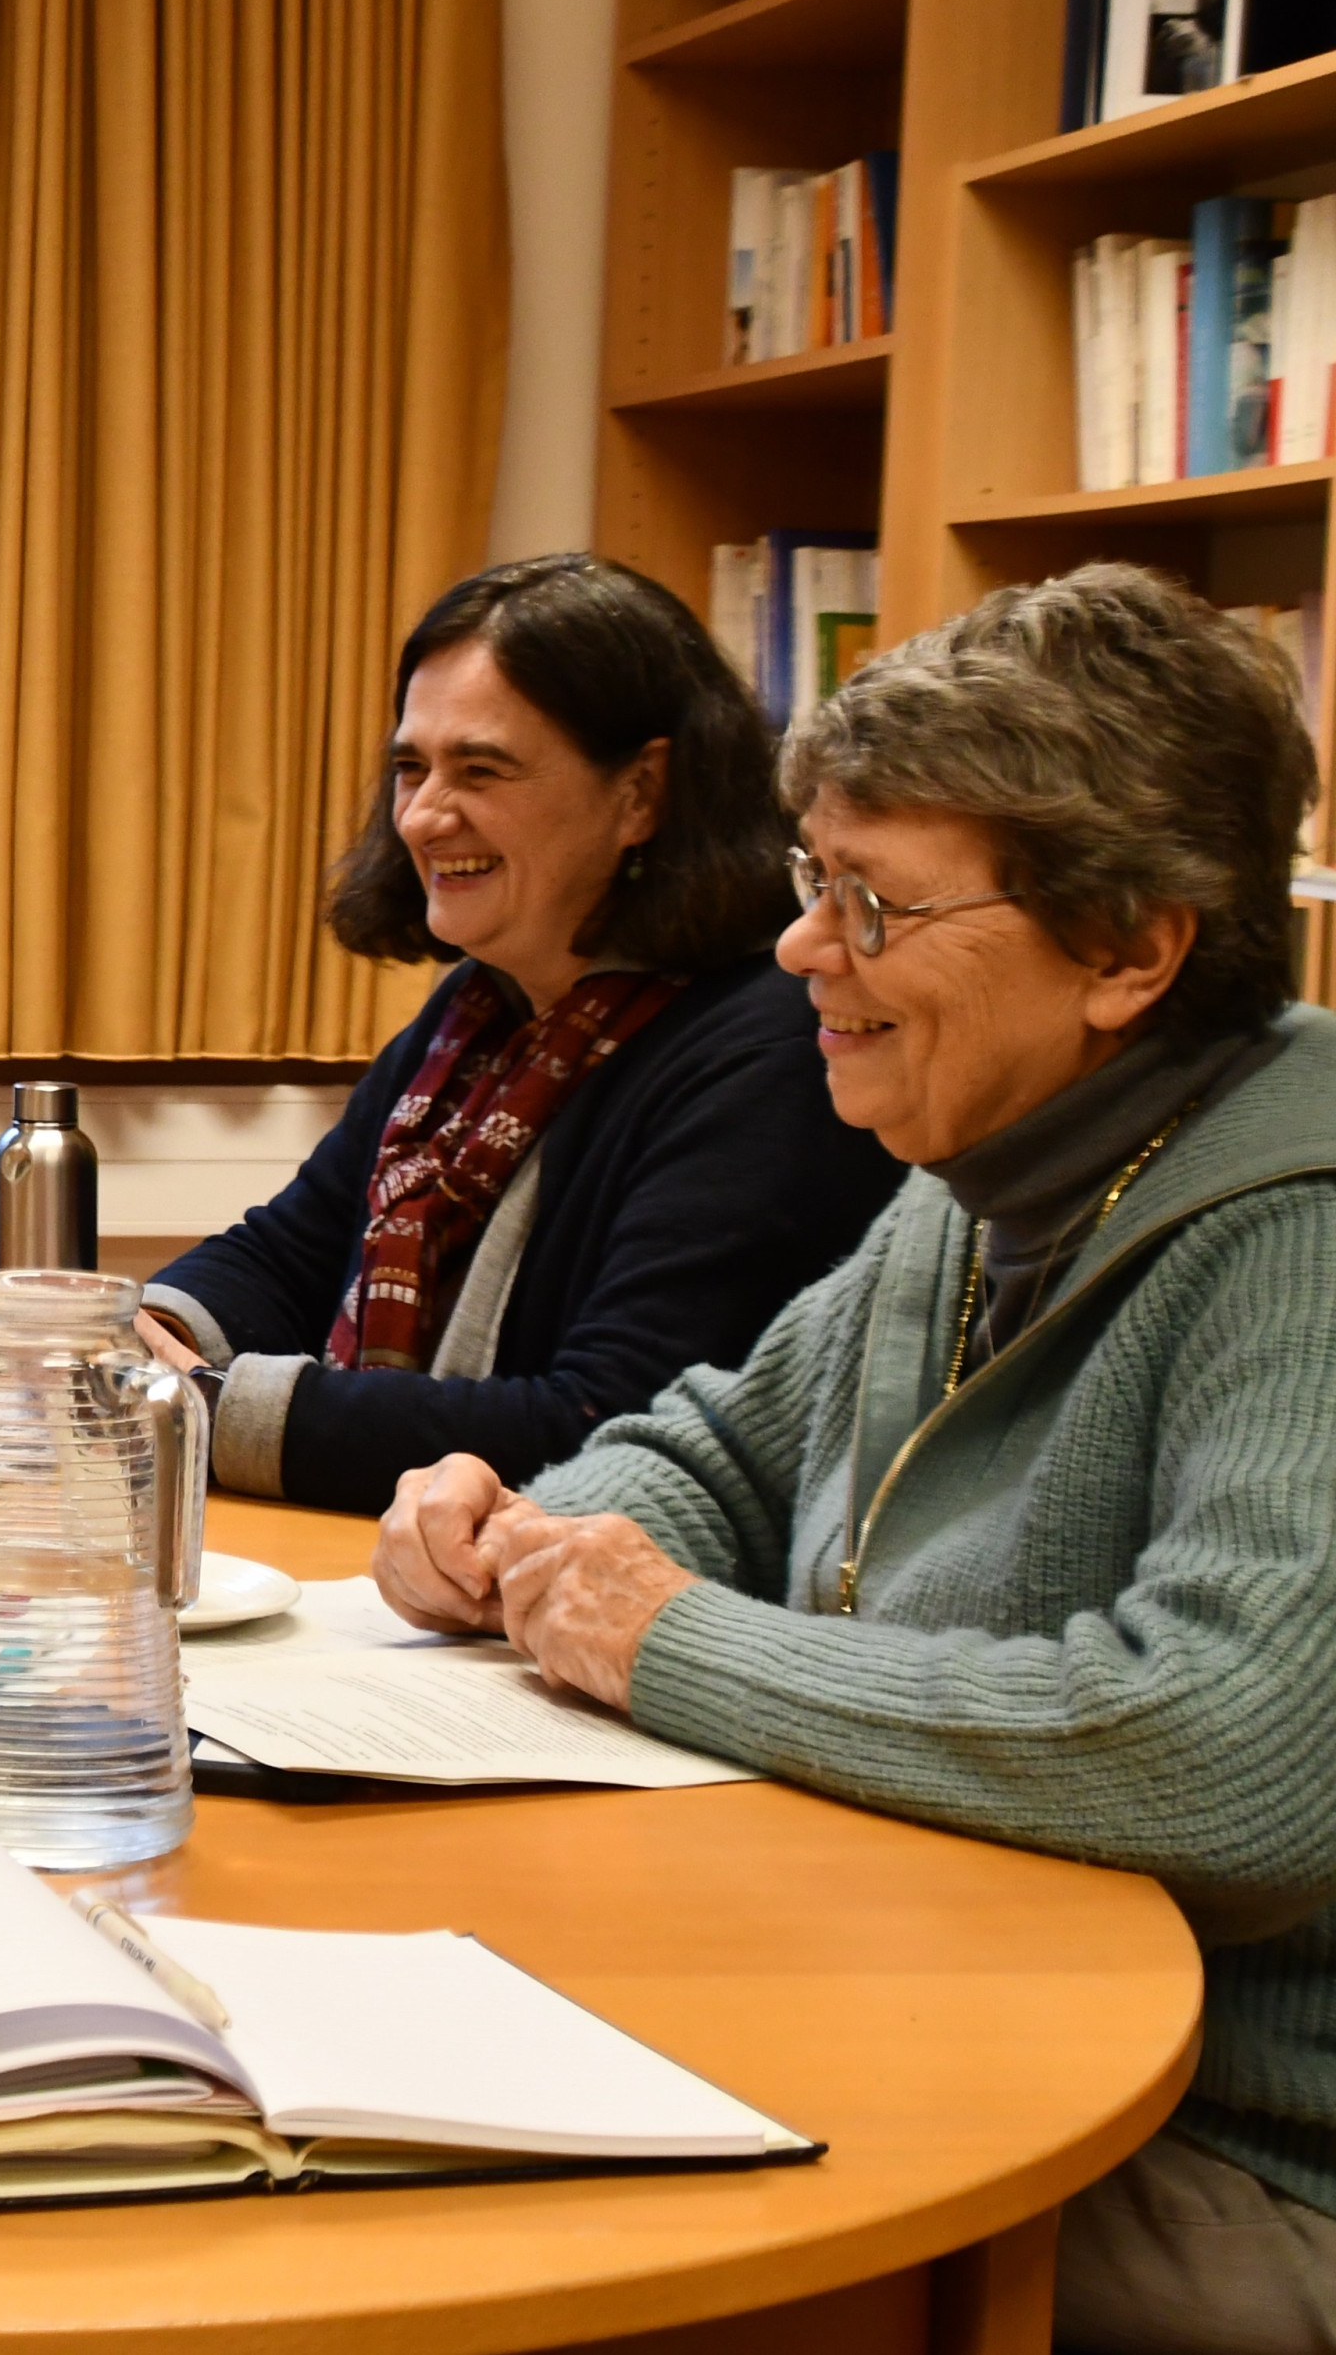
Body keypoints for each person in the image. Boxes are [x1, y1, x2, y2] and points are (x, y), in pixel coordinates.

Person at [369, 565, 1336, 2353]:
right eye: (819, 883)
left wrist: (665, 1639)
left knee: (488, 2258)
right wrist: (541, 1534)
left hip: (1227, 2148)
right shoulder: (985, 1170)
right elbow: (716, 1451)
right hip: (953, 1999)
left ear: (1131, 949)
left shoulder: (1296, 1239)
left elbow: (1233, 1759)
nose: (808, 952)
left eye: (874, 903)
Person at [141, 554, 901, 1515]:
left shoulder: (773, 1054)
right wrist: (141, 1333)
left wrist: (193, 1410)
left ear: (641, 794)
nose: (422, 815)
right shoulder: (481, 1008)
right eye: (410, 767)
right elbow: (290, 1252)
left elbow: (606, 1423)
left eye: (482, 770)